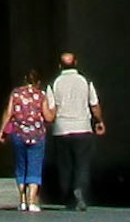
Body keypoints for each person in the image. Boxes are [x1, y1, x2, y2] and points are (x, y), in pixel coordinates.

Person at [43, 50, 100, 209]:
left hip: (62, 129)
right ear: (76, 63)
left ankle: (68, 195)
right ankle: (79, 189)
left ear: (60, 66)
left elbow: (51, 109)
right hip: (83, 127)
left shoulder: (54, 83)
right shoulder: (85, 81)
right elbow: (94, 105)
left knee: (65, 164)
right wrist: (99, 121)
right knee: (82, 163)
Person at [0, 70, 54, 215]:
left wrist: (2, 131)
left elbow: (9, 113)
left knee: (21, 166)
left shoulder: (16, 94)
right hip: (37, 135)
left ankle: (22, 200)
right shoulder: (41, 95)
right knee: (34, 167)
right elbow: (48, 117)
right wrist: (54, 111)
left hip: (19, 134)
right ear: (38, 82)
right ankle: (32, 202)